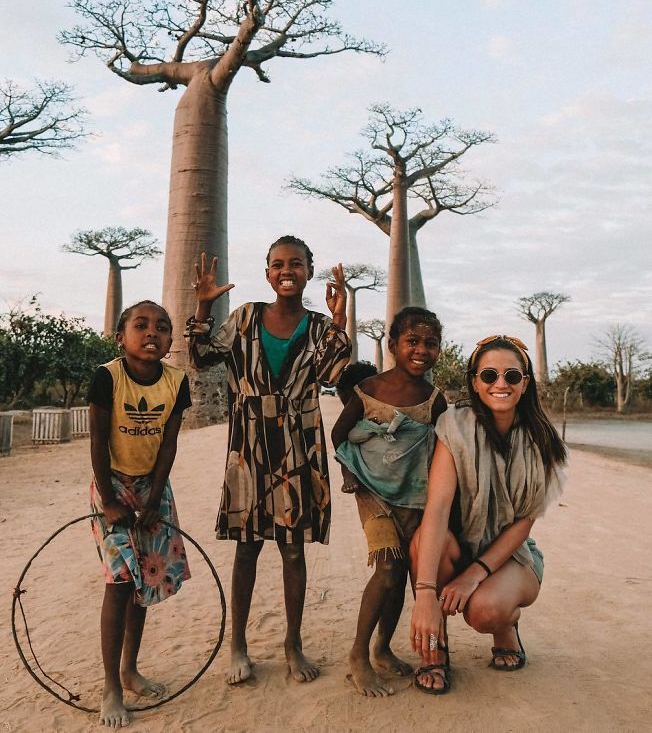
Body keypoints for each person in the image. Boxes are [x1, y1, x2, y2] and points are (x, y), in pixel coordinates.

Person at [187, 236, 351, 685]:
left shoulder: (319, 326)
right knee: (247, 547)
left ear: (308, 271)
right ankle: (238, 644)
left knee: (293, 548)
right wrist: (202, 308)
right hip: (250, 447)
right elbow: (201, 359)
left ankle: (292, 644)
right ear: (266, 273)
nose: (287, 270)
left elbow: (334, 376)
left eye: (296, 263)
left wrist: (339, 321)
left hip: (299, 446)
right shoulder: (244, 318)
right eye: (278, 263)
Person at [409, 334, 567, 695]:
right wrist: (425, 595)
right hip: (458, 543)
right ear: (475, 383)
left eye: (512, 376)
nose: (500, 384)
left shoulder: (542, 440)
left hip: (511, 554)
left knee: (485, 611)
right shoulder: (454, 427)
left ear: (525, 384)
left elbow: (524, 522)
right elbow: (436, 509)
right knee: (423, 540)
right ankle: (435, 650)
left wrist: (474, 576)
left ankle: (505, 629)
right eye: (489, 376)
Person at [332, 308, 447, 697]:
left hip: (414, 498)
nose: (421, 350)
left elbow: (444, 449)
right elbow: (339, 435)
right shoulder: (369, 389)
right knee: (386, 569)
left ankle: (383, 648)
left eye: (431, 343)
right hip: (373, 494)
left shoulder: (434, 400)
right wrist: (351, 473)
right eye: (412, 341)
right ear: (394, 343)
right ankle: (358, 656)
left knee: (400, 576)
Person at [88, 300, 191, 727]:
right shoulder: (106, 377)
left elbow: (168, 444)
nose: (153, 332)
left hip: (153, 486)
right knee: (119, 582)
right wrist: (111, 501)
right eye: (141, 325)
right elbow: (97, 441)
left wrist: (153, 503)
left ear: (169, 340)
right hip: (112, 483)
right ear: (121, 336)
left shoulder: (177, 382)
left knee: (145, 579)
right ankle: (111, 686)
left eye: (163, 327)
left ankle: (131, 669)